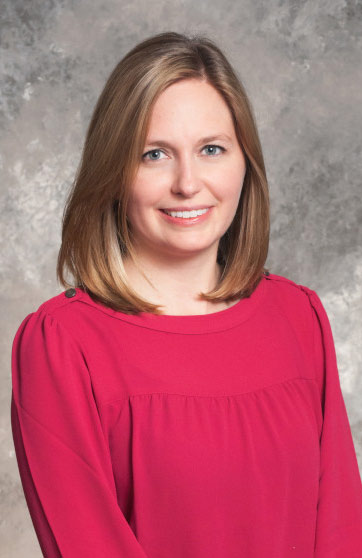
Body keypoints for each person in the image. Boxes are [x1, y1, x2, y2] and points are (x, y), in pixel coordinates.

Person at [10, 31, 362, 558]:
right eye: (154, 154)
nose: (188, 183)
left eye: (212, 149)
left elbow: (342, 530)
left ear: (246, 163)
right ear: (114, 171)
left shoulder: (298, 316)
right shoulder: (63, 344)